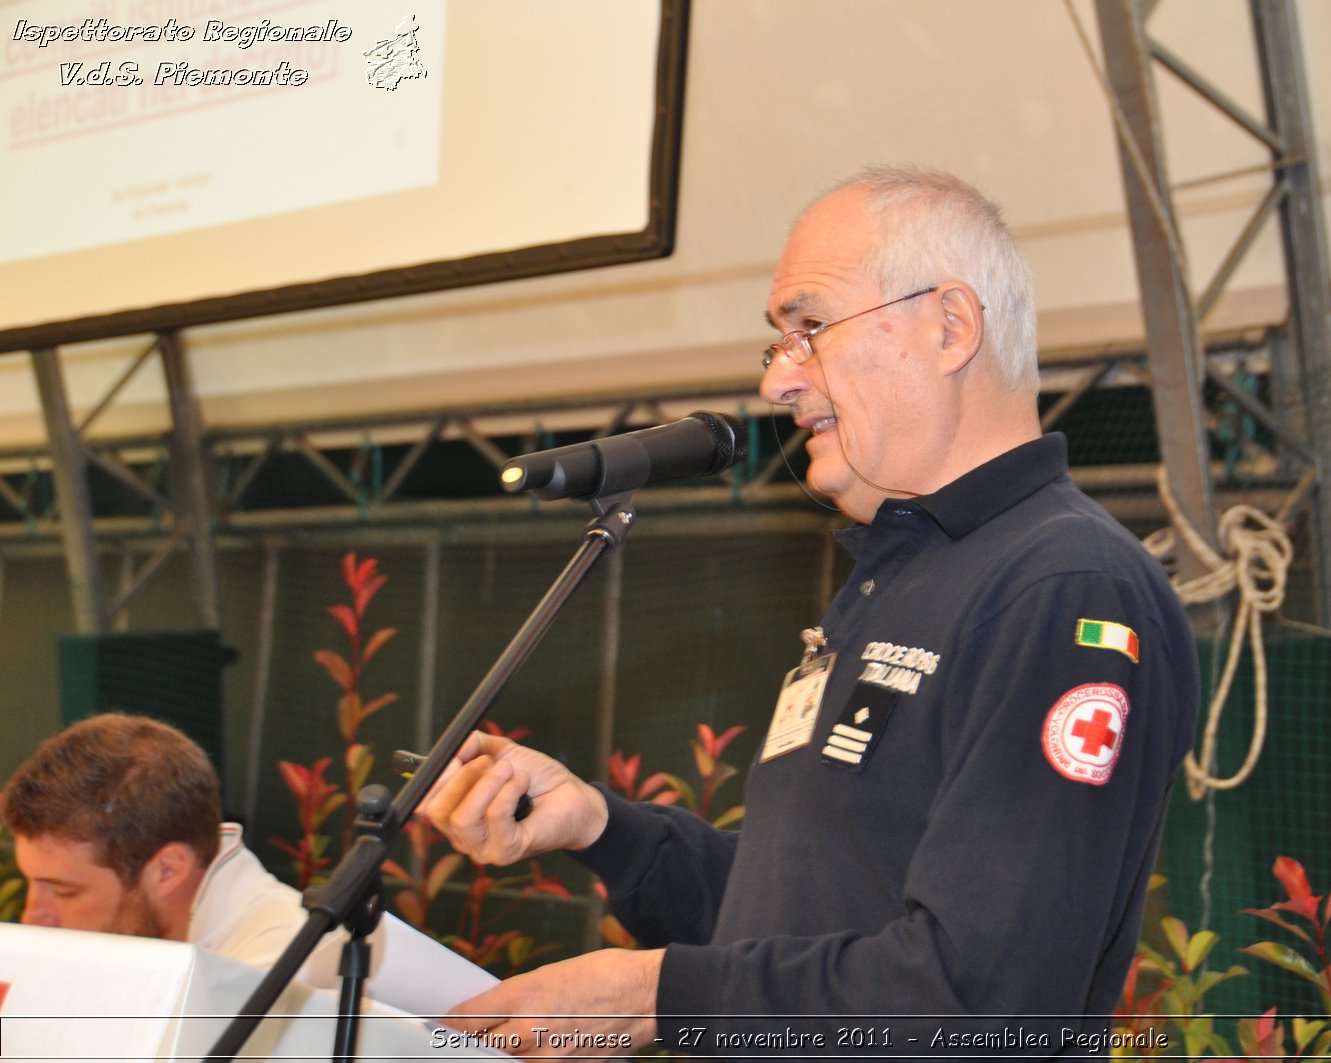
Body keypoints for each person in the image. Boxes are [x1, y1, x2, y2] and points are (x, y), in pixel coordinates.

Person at [422, 167, 1200, 1056]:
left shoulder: (1064, 589)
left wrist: (652, 992)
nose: (777, 386)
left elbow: (983, 999)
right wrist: (603, 826)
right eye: (777, 345)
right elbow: (790, 927)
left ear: (950, 327)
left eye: (809, 331)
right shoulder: (898, 575)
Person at [2, 712, 494, 1017]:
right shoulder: (149, 943)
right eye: (30, 885)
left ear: (168, 870)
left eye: (63, 891)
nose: (32, 916)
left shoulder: (287, 976)